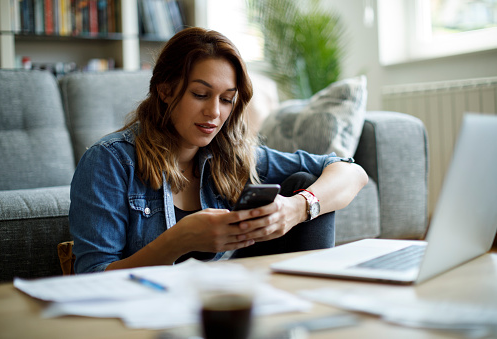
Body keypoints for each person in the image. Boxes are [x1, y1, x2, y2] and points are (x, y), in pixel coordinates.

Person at [69, 27, 368, 274]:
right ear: (165, 89)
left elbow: (350, 171)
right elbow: (93, 278)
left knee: (303, 182)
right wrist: (179, 240)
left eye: (226, 99)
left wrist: (298, 207)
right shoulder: (111, 161)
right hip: (152, 309)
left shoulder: (233, 156)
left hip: (229, 301)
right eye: (200, 94)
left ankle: (305, 313)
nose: (214, 112)